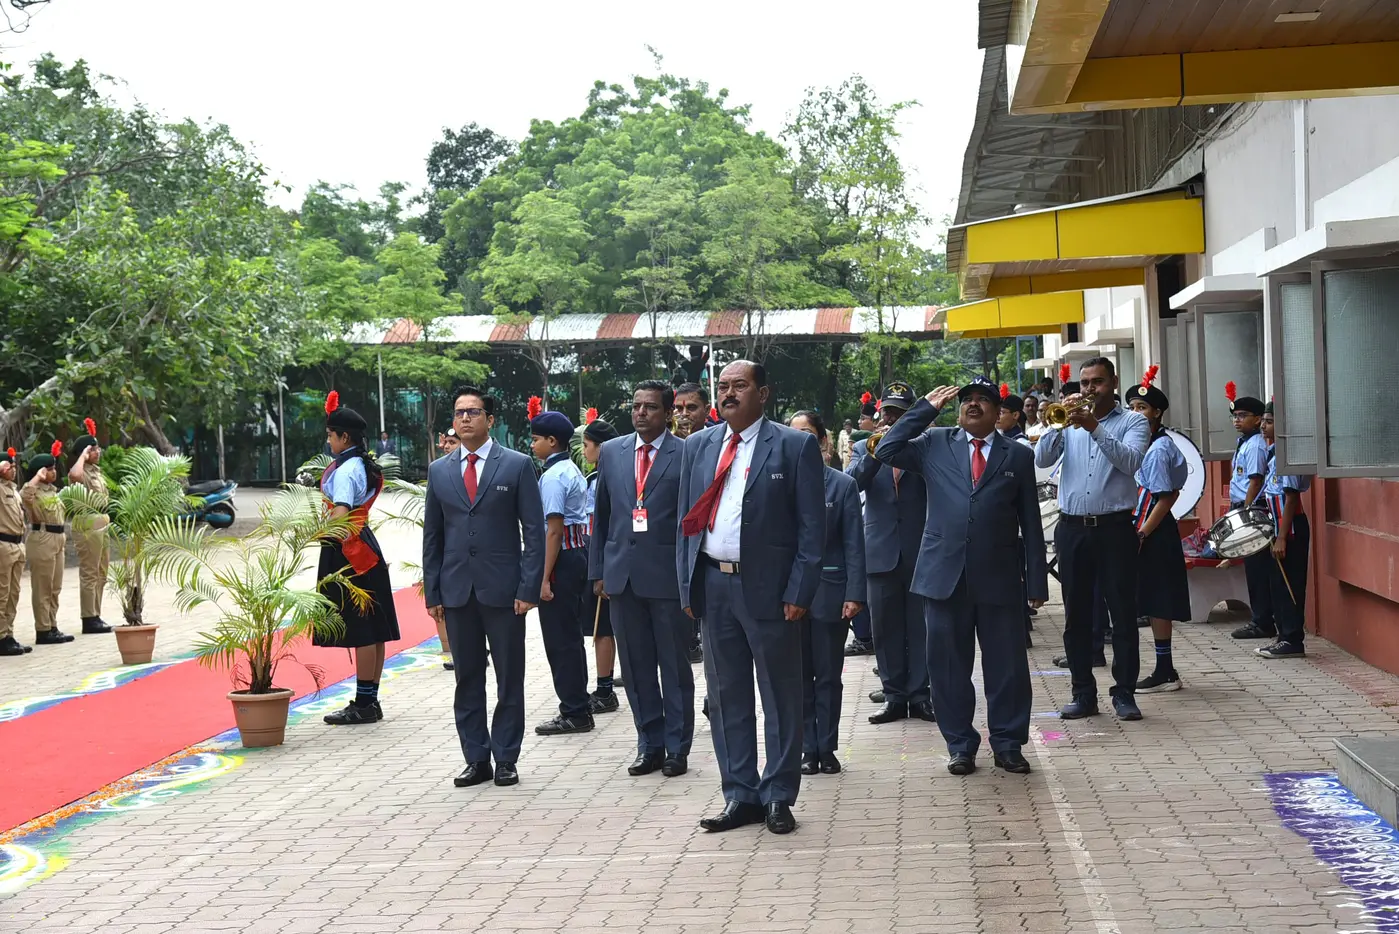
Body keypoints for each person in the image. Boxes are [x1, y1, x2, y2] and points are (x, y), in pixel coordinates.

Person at [677, 360, 824, 835]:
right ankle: (739, 794)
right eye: (723, 386)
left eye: (740, 385)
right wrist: (687, 585)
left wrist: (800, 589)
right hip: (714, 585)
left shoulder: (794, 445)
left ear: (763, 393)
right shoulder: (698, 446)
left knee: (780, 695)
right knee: (725, 696)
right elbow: (686, 522)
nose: (729, 393)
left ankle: (779, 794)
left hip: (770, 590)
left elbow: (811, 529)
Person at [877, 379, 1046, 774]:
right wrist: (923, 409)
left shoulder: (1016, 456)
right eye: (967, 399)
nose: (973, 405)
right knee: (948, 667)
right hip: (942, 575)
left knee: (1007, 667)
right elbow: (886, 449)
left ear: (998, 412)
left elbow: (1032, 524)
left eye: (983, 401)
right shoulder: (934, 442)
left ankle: (1007, 743)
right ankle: (960, 743)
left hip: (999, 576)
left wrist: (1036, 582)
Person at [424, 386, 544, 788]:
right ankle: (476, 758)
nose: (465, 419)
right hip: (457, 590)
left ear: (489, 420)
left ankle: (506, 756)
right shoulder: (439, 471)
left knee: (509, 676)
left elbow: (534, 531)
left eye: (473, 412)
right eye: (459, 413)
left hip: (504, 591)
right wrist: (433, 592)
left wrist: (529, 587)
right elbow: (433, 536)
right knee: (467, 678)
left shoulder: (516, 465)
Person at [1034, 357, 1150, 721]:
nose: (1088, 390)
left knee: (1123, 613)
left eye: (1097, 382)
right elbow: (1040, 458)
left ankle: (1124, 693)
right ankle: (1083, 693)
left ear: (1113, 382)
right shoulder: (1067, 422)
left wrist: (1095, 427)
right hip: (1072, 528)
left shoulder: (1134, 421)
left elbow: (1131, 462)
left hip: (1115, 527)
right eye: (1084, 383)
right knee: (1077, 616)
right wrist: (1053, 426)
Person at [591, 381, 697, 777]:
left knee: (673, 666)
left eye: (650, 408)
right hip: (622, 578)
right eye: (636, 406)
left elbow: (692, 521)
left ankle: (676, 748)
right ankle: (648, 744)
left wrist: (689, 576)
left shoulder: (685, 454)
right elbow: (601, 516)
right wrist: (598, 570)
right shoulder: (614, 453)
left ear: (667, 412)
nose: (640, 413)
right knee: (635, 668)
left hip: (668, 579)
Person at [849, 381, 935, 725]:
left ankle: (921, 694)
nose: (892, 419)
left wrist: (903, 441)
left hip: (920, 550)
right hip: (880, 551)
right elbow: (854, 482)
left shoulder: (926, 447)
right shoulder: (861, 447)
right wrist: (877, 450)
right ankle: (894, 695)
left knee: (920, 627)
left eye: (900, 414)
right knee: (884, 630)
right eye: (887, 413)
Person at [317, 392, 402, 726]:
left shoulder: (346, 470)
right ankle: (369, 699)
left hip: (350, 549)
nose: (328, 441)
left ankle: (364, 704)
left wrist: (319, 533)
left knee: (363, 627)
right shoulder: (360, 465)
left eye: (330, 436)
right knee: (374, 627)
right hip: (366, 545)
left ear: (344, 437)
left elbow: (340, 513)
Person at [788, 411, 865, 776]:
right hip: (788, 596)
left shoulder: (840, 485)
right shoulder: (778, 482)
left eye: (808, 434)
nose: (801, 441)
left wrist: (854, 593)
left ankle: (827, 747)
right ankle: (807, 748)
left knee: (829, 675)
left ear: (822, 441)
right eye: (794, 435)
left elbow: (853, 544)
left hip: (831, 592)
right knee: (798, 676)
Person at [529, 406, 595, 736]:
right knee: (569, 637)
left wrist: (542, 578)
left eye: (536, 439)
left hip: (561, 560)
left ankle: (573, 710)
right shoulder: (569, 469)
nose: (532, 445)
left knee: (560, 640)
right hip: (574, 556)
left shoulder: (553, 477)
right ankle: (577, 704)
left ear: (552, 441)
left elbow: (553, 530)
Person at [1125, 367, 1191, 692]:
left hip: (1154, 530)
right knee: (1150, 600)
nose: (1136, 413)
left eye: (1142, 408)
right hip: (1143, 528)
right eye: (1132, 408)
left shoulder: (1158, 449)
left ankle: (1165, 669)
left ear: (1157, 412)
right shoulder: (1139, 444)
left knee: (1159, 599)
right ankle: (1165, 669)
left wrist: (1142, 534)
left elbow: (1165, 497)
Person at [1257, 401, 1311, 659]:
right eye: (1264, 420)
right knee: (1277, 583)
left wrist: (1281, 538)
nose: (1263, 426)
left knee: (1290, 583)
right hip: (1277, 525)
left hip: (1288, 528)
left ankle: (1292, 639)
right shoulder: (1274, 452)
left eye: (1269, 421)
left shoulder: (1288, 454)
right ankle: (1283, 635)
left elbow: (1290, 498)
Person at [1223, 384, 1273, 642]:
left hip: (1252, 508)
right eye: (1235, 416)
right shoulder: (1245, 442)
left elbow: (1255, 480)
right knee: (1252, 568)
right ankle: (1261, 618)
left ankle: (1262, 621)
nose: (1237, 420)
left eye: (1243, 415)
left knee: (1257, 568)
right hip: (1244, 506)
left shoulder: (1255, 445)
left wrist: (1246, 512)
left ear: (1257, 418)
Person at [580, 413, 623, 714]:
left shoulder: (602, 480)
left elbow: (602, 525)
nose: (584, 451)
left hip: (607, 561)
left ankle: (604, 688)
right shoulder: (593, 477)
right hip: (602, 559)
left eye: (586, 445)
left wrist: (601, 569)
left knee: (603, 628)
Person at [23, 441, 74, 646]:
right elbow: (24, 495)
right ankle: (42, 629)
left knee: (55, 587)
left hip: (58, 538)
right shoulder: (33, 491)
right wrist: (38, 477)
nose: (54, 471)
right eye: (50, 469)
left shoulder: (53, 491)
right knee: (42, 587)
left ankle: (52, 625)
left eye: (53, 468)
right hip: (42, 538)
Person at [672, 381, 708, 664]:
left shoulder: (717, 444)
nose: (684, 414)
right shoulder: (666, 447)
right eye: (678, 408)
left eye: (691, 408)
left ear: (707, 410)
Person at [67, 419, 112, 635]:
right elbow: (73, 476)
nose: (97, 452)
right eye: (93, 449)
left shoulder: (96, 472)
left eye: (97, 448)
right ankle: (89, 617)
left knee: (102, 571)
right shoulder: (80, 471)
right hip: (87, 521)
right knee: (89, 572)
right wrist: (82, 456)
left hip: (101, 521)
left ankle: (96, 613)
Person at [0, 448, 28, 656]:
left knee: (13, 594)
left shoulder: (13, 490)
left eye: (14, 466)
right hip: (4, 545)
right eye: (8, 466)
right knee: (2, 593)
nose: (13, 469)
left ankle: (8, 634)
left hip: (18, 545)